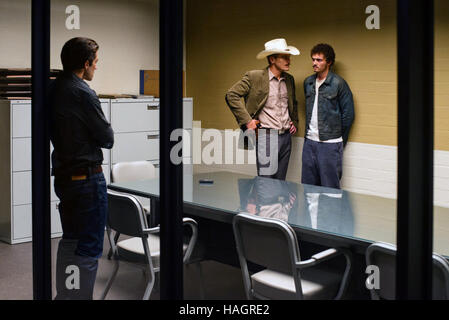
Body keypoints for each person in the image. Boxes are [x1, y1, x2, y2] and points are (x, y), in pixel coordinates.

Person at [50, 37, 114, 299]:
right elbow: (107, 138)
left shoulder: (54, 88)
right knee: (87, 248)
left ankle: (67, 295)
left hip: (65, 178)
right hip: (87, 180)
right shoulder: (84, 93)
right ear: (85, 63)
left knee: (71, 241)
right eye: (95, 62)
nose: (96, 67)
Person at [226, 38, 300, 180]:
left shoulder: (289, 80)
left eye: (288, 57)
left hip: (286, 138)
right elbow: (231, 95)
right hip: (267, 137)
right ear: (272, 59)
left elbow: (293, 103)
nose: (288, 60)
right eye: (284, 57)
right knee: (266, 184)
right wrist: (247, 121)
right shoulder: (254, 77)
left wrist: (294, 121)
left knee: (281, 183)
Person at [301, 43, 354, 189]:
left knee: (330, 189)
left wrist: (339, 140)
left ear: (329, 62)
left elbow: (348, 115)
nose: (314, 63)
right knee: (308, 188)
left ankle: (331, 213)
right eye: (313, 60)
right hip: (310, 142)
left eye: (319, 60)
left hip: (330, 144)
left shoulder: (338, 84)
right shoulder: (308, 82)